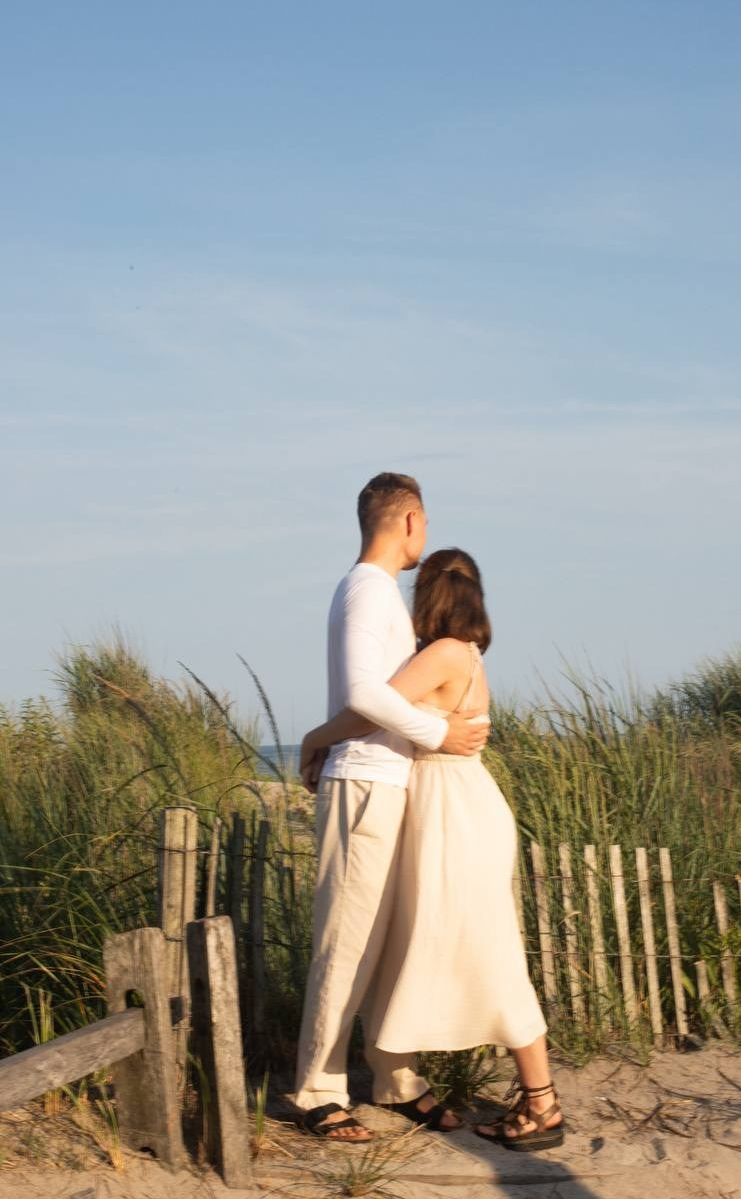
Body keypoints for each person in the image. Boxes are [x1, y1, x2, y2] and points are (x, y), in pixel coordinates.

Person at [300, 548, 564, 1152]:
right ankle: (403, 1075)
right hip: (450, 805)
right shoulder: (463, 654)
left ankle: (542, 1099)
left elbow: (369, 709)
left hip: (454, 813)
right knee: (424, 945)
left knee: (490, 951)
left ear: (433, 598)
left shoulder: (444, 654)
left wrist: (314, 738)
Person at [292, 475, 490, 1143]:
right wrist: (440, 734)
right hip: (365, 784)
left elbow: (367, 699)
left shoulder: (374, 595)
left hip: (386, 779)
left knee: (386, 944)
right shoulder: (367, 590)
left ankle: (393, 1077)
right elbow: (364, 692)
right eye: (425, 525)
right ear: (409, 520)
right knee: (346, 944)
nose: (424, 539)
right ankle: (317, 1090)